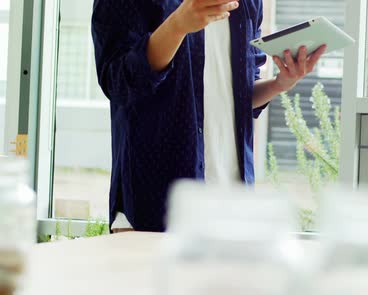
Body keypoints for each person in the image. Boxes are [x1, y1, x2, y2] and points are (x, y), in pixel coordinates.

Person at [91, 0, 327, 232]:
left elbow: (236, 98)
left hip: (231, 204)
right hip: (154, 207)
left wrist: (279, 83)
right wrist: (177, 26)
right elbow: (118, 82)